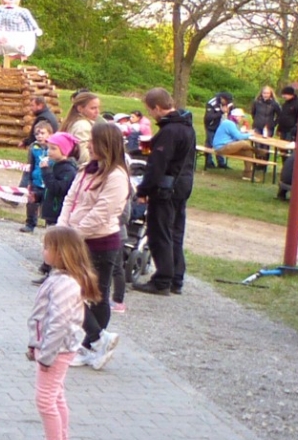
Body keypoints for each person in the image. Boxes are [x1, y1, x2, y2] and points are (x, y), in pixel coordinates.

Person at [61, 122, 131, 366]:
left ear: (105, 144)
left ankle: (92, 344)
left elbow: (102, 212)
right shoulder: (86, 170)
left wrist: (75, 234)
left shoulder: (116, 176)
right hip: (75, 237)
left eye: (93, 141)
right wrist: (62, 229)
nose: (88, 145)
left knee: (94, 295)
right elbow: (70, 199)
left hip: (100, 242)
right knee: (68, 292)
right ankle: (99, 340)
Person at [27, 226, 94, 440]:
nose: (43, 251)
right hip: (53, 348)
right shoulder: (60, 278)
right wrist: (34, 343)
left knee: (45, 400)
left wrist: (46, 355)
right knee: (55, 396)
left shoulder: (65, 284)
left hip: (56, 351)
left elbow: (58, 323)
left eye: (47, 247)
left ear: (61, 252)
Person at [132, 88, 195, 296]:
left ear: (158, 107)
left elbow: (157, 165)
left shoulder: (169, 131)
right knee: (175, 232)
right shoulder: (187, 126)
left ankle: (162, 280)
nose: (151, 115)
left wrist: (143, 190)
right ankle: (176, 278)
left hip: (166, 188)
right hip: (183, 185)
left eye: (150, 110)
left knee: (160, 233)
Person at [40, 133, 79, 228]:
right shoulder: (54, 165)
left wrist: (46, 171)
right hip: (51, 215)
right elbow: (49, 189)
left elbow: (58, 189)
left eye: (53, 149)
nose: (49, 151)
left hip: (59, 215)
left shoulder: (68, 170)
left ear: (64, 150)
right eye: (48, 148)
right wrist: (37, 196)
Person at [21, 120, 53, 233]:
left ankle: (50, 226)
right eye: (37, 134)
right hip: (36, 181)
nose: (39, 136)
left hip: (49, 182)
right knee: (32, 203)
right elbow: (31, 164)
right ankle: (30, 224)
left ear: (50, 134)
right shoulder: (33, 147)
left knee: (48, 206)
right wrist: (29, 181)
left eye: (42, 133)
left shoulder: (53, 148)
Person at [211, 109, 262, 180]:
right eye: (241, 117)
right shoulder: (229, 123)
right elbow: (239, 137)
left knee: (248, 152)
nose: (242, 119)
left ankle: (247, 174)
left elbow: (236, 135)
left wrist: (246, 133)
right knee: (243, 143)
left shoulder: (232, 123)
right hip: (221, 147)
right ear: (236, 117)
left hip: (228, 146)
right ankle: (257, 151)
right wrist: (250, 134)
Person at [203, 91, 235, 169]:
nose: (227, 103)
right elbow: (209, 117)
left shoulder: (229, 104)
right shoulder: (212, 103)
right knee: (210, 144)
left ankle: (221, 162)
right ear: (222, 98)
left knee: (221, 144)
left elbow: (232, 112)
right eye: (226, 101)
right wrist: (221, 112)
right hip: (211, 126)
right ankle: (208, 162)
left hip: (221, 127)